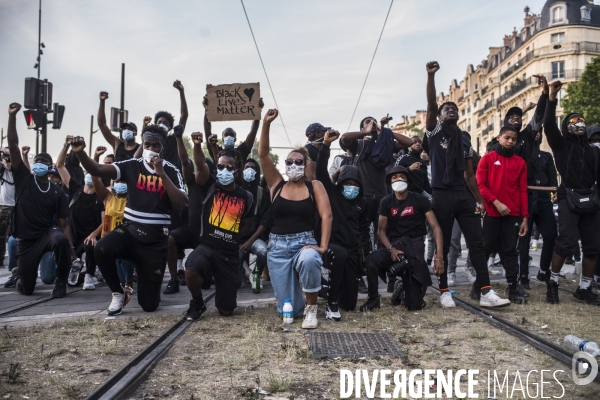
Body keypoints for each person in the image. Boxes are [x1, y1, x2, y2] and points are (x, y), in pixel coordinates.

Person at [71, 125, 188, 315]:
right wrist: (80, 152)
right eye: (147, 144)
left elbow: (182, 204)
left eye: (156, 145)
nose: (151, 149)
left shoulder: (172, 171)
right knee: (101, 247)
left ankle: (147, 280)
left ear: (162, 147)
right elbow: (97, 168)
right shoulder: (132, 165)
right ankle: (117, 293)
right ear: (143, 144)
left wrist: (162, 174)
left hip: (155, 241)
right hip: (131, 233)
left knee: (149, 305)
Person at [423, 61, 510, 308]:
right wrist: (431, 77)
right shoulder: (434, 132)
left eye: (454, 107)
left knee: (477, 243)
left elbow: (470, 175)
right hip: (441, 194)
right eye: (446, 108)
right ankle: (444, 291)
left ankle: (485, 292)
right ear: (439, 116)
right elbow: (431, 104)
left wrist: (480, 200)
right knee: (444, 241)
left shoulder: (463, 140)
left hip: (464, 195)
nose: (451, 109)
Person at [259, 109, 333, 329]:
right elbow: (263, 155)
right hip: (278, 246)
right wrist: (266, 123)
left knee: (310, 261)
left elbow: (326, 215)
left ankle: (313, 310)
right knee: (289, 310)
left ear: (305, 164)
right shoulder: (277, 185)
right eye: (289, 162)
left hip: (304, 243)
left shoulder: (314, 186)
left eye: (298, 162)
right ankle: (300, 305)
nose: (293, 166)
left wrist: (322, 247)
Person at [5, 102, 75, 297]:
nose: (40, 164)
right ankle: (19, 275)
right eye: (37, 161)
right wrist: (12, 116)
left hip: (46, 235)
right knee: (27, 290)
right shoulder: (24, 180)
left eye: (44, 161)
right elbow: (13, 146)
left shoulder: (57, 192)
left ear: (50, 167)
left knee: (59, 239)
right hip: (26, 241)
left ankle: (61, 282)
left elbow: (63, 224)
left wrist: (70, 252)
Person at [183, 132, 254, 320]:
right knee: (191, 268)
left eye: (229, 167)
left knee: (226, 311)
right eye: (220, 166)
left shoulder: (246, 196)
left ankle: (224, 295)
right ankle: (197, 302)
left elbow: (247, 222)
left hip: (229, 255)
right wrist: (197, 145)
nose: (224, 170)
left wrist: (235, 236)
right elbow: (199, 165)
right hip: (207, 247)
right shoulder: (210, 186)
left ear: (237, 170)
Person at [543, 81, 600, 305]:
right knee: (565, 242)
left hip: (591, 201)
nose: (578, 124)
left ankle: (585, 288)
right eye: (573, 121)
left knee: (593, 245)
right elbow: (548, 125)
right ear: (566, 126)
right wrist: (551, 98)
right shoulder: (561, 145)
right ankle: (553, 282)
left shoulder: (593, 151)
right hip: (569, 197)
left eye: (581, 121)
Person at [360, 166, 444, 311]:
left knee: (414, 306)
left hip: (415, 246)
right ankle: (373, 299)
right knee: (372, 260)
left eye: (402, 176)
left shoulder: (420, 200)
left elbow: (436, 228)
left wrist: (439, 257)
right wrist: (391, 249)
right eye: (394, 177)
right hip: (395, 246)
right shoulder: (386, 201)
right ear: (390, 182)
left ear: (408, 181)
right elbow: (380, 231)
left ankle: (401, 289)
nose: (399, 179)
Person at [316, 129, 368, 319]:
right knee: (340, 254)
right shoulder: (332, 194)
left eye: (355, 183)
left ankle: (328, 290)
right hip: (332, 247)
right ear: (341, 182)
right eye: (348, 182)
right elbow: (321, 172)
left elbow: (363, 230)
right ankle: (331, 304)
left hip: (352, 251)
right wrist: (326, 146)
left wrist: (364, 254)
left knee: (351, 304)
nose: (351, 187)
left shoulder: (362, 203)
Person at [477, 127, 529, 303]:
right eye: (507, 138)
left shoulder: (520, 162)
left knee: (510, 251)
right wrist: (496, 202)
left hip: (513, 215)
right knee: (485, 249)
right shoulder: (487, 159)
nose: (510, 141)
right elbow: (480, 186)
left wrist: (525, 218)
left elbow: (523, 191)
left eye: (514, 139)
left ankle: (513, 287)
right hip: (492, 213)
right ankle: (480, 285)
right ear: (499, 137)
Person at [163, 125, 208, 295]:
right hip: (192, 230)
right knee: (171, 239)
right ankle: (174, 279)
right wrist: (179, 138)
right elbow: (184, 161)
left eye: (200, 169)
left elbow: (203, 162)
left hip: (209, 235)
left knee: (204, 283)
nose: (197, 171)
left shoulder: (213, 184)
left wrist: (199, 146)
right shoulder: (191, 182)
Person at [56, 136, 105, 290]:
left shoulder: (101, 196)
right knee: (70, 281)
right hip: (73, 238)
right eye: (87, 172)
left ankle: (90, 275)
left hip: (89, 238)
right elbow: (59, 165)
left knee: (91, 245)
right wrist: (66, 146)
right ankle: (78, 271)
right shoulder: (75, 189)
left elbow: (105, 221)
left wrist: (93, 234)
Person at [90, 146, 134, 294]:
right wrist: (95, 157)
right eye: (117, 181)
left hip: (126, 242)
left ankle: (130, 281)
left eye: (123, 181)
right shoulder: (108, 197)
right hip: (109, 239)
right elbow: (95, 177)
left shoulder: (134, 199)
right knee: (117, 277)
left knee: (126, 268)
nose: (120, 183)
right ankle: (122, 285)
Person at [519, 129, 558, 287]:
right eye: (533, 132)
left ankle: (543, 270)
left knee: (551, 234)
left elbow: (553, 181)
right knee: (524, 239)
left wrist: (554, 192)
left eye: (539, 132)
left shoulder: (547, 156)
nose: (536, 135)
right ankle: (523, 276)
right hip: (525, 199)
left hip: (542, 200)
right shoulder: (521, 155)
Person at [202, 96, 264, 166]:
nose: (229, 136)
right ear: (222, 139)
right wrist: (207, 110)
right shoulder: (215, 150)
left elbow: (253, 132)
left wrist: (257, 111)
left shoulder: (241, 152)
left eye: (231, 135)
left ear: (235, 139)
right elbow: (207, 132)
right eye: (226, 135)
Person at [238, 158, 271, 286]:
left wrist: (250, 241)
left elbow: (265, 222)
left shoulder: (264, 194)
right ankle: (242, 273)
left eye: (253, 168)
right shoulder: (236, 192)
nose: (249, 170)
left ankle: (255, 275)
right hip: (237, 240)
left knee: (264, 252)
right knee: (237, 283)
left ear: (257, 172)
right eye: (247, 167)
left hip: (254, 239)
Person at [97, 91, 140, 162]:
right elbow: (102, 124)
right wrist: (102, 101)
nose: (126, 131)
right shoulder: (117, 144)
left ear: (135, 133)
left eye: (129, 129)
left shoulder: (140, 149)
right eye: (124, 129)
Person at [0, 147, 15, 267]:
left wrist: (10, 157)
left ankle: (12, 262)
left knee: (12, 235)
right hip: (3, 205)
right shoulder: (2, 168)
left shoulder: (17, 168)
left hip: (14, 205)